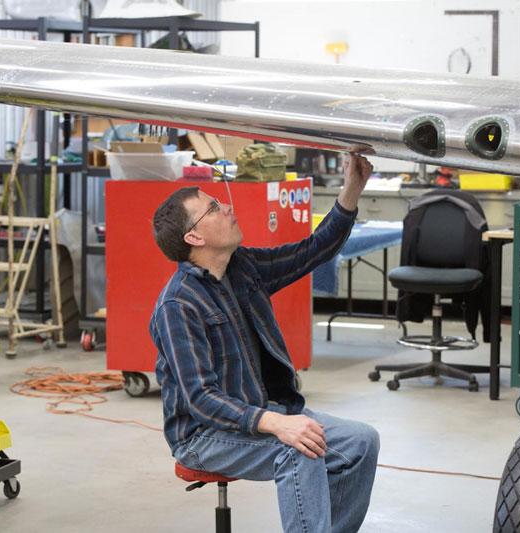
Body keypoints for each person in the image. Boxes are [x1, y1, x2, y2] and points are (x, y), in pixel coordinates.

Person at [150, 151, 380, 533]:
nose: (227, 207)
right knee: (299, 448)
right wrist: (275, 422)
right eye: (213, 208)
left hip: (259, 413)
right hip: (204, 435)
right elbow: (201, 399)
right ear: (194, 236)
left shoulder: (243, 267)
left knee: (361, 442)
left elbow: (313, 251)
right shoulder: (179, 305)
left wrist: (352, 187)